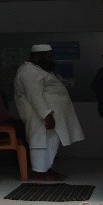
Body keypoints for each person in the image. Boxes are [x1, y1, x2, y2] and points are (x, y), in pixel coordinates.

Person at [14, 44, 84, 181]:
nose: (52, 59)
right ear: (37, 56)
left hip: (48, 113)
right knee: (40, 141)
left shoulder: (41, 69)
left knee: (51, 140)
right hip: (38, 114)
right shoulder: (28, 71)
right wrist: (46, 115)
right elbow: (35, 96)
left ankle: (46, 168)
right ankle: (39, 172)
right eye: (48, 56)